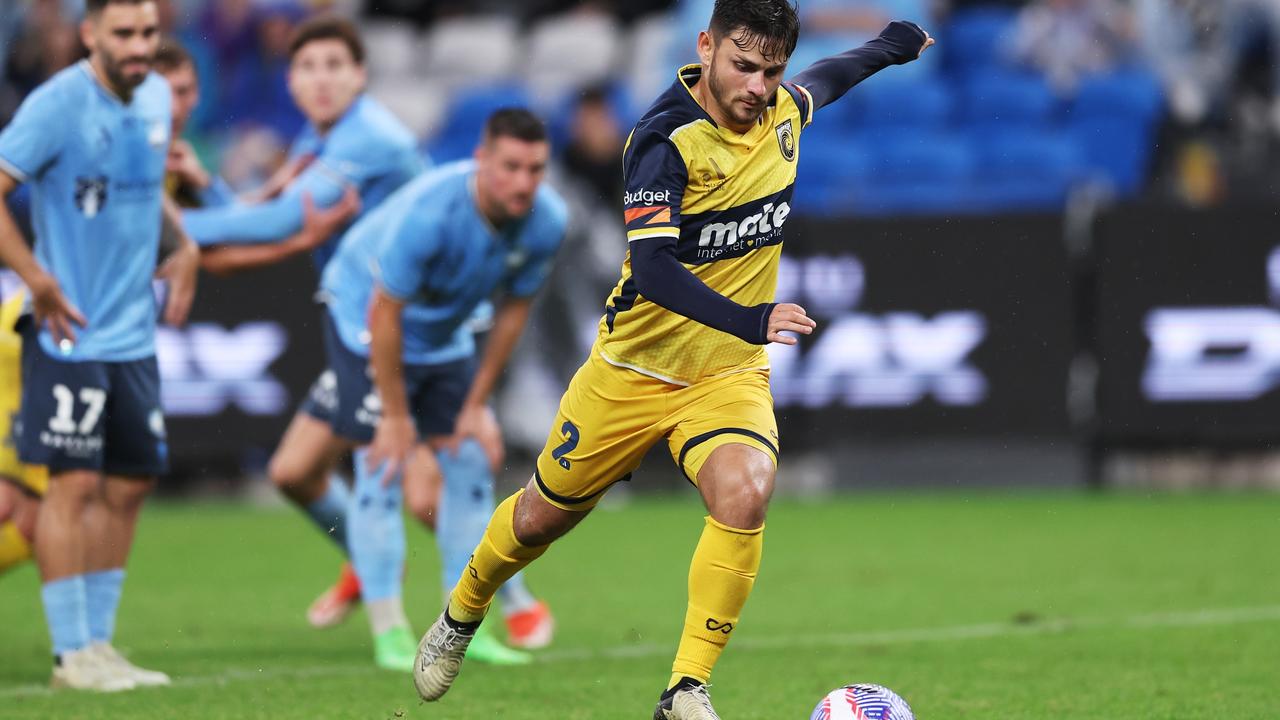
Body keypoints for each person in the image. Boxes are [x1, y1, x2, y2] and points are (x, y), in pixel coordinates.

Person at [412, 1, 932, 717]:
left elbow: (829, 77)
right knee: (538, 519)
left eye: (770, 71)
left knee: (748, 490)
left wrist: (891, 44)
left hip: (726, 375)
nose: (758, 85)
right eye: (743, 66)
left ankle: (685, 689)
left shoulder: (783, 108)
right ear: (705, 47)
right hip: (632, 372)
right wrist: (754, 317)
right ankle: (461, 612)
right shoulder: (664, 139)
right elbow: (653, 269)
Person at [314, 109, 566, 671]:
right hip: (363, 314)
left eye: (535, 169)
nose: (523, 182)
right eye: (510, 167)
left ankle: (461, 632)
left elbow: (511, 314)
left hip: (444, 331)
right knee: (380, 464)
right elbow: (385, 312)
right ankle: (390, 633)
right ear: (481, 161)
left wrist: (476, 406)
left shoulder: (547, 220)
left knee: (471, 460)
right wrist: (397, 416)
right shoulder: (431, 214)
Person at [0, 0, 202, 692]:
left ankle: (100, 645)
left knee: (129, 484)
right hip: (70, 331)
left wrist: (186, 246)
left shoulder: (152, 97)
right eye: (124, 33)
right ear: (90, 34)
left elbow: (145, 192)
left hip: (132, 333)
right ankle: (69, 655)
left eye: (148, 32)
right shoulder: (56, 106)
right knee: (74, 484)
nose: (140, 46)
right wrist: (36, 279)